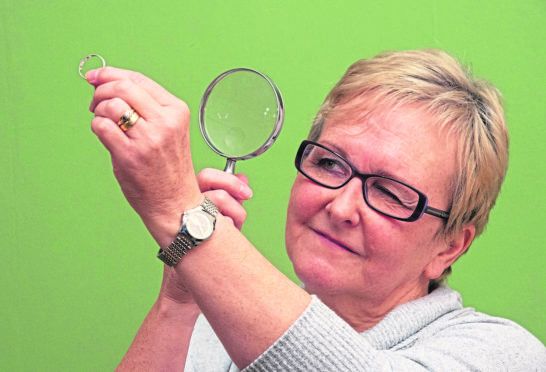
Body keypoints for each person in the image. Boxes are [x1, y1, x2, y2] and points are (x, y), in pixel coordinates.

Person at [86, 49, 546, 371]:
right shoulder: (213, 330)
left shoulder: (504, 355)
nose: (342, 205)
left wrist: (180, 211)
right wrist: (178, 303)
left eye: (390, 192)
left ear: (450, 246)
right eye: (329, 162)